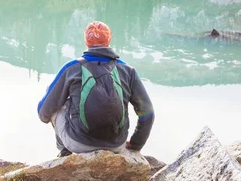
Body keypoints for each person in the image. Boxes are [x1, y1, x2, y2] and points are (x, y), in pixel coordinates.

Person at [37, 21, 155, 157]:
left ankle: (65, 153)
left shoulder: (72, 68)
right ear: (109, 40)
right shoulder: (128, 71)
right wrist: (135, 144)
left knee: (54, 101)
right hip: (117, 145)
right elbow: (148, 113)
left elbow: (43, 112)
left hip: (78, 143)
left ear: (86, 41)